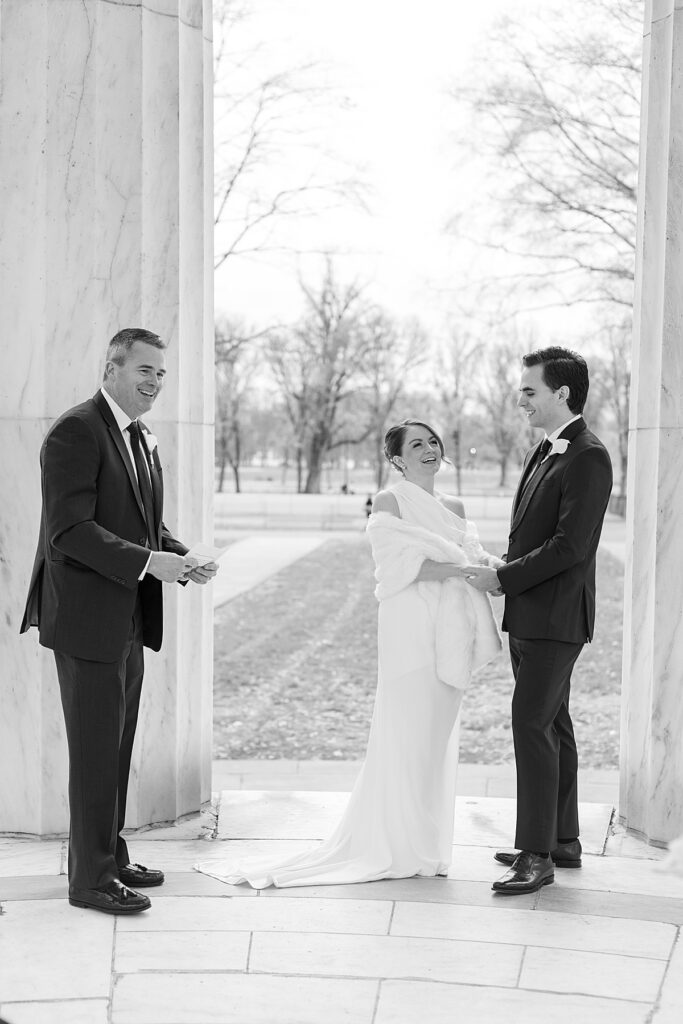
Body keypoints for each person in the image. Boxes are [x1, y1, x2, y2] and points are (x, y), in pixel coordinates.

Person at [195, 418, 502, 888]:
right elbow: (399, 566)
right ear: (396, 458)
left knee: (436, 733)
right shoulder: (389, 501)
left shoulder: (455, 505)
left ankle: (427, 845)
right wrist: (460, 568)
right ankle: (393, 844)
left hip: (451, 626)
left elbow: (474, 557)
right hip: (409, 624)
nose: (429, 449)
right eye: (416, 444)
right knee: (405, 728)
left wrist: (490, 570)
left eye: (433, 442)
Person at [20, 327, 218, 915]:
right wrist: (148, 563)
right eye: (144, 371)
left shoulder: (139, 436)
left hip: (127, 616)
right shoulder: (76, 430)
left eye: (161, 373)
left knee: (117, 744)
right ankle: (90, 880)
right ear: (111, 368)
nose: (156, 382)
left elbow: (142, 526)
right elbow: (70, 530)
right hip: (85, 620)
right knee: (94, 751)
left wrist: (179, 559)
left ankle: (110, 852)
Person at [463, 347, 613, 895]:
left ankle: (535, 857)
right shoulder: (547, 451)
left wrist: (505, 579)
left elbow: (570, 546)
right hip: (531, 613)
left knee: (530, 724)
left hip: (556, 617)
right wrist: (506, 566)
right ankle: (560, 841)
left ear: (562, 393)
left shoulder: (588, 456)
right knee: (553, 725)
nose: (519, 398)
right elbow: (535, 535)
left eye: (529, 390)